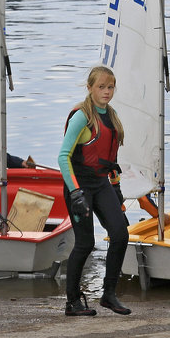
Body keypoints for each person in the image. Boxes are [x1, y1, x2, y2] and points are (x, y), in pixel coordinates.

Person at [57, 65, 132, 317]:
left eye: (110, 87)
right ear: (89, 88)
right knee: (85, 242)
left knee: (120, 234)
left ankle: (108, 295)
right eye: (101, 87)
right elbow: (63, 156)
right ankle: (72, 303)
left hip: (101, 183)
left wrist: (117, 188)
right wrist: (75, 192)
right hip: (79, 185)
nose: (107, 91)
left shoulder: (111, 116)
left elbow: (111, 160)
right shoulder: (82, 116)